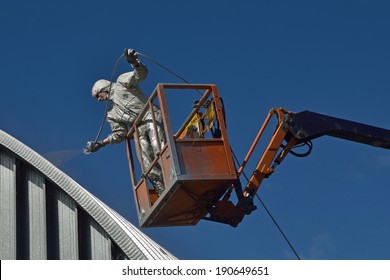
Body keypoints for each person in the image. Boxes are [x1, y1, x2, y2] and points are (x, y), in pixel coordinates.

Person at [85, 48, 166, 195]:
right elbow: (119, 133)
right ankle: (162, 190)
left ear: (103, 88)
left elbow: (140, 75)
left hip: (150, 116)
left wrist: (134, 62)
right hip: (137, 129)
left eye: (98, 95)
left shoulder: (122, 83)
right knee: (146, 162)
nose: (99, 99)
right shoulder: (111, 113)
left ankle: (171, 174)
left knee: (158, 147)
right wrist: (101, 144)